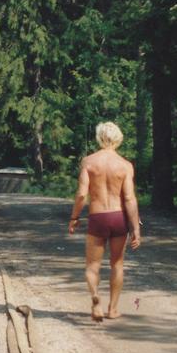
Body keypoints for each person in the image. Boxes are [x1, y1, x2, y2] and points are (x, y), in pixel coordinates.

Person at [67, 122, 141, 322]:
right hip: (118, 218)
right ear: (118, 138)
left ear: (99, 137)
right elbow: (129, 198)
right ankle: (113, 309)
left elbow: (82, 194)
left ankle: (95, 298)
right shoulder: (125, 165)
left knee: (92, 265)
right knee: (117, 264)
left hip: (98, 217)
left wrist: (74, 217)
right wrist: (135, 228)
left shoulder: (89, 162)